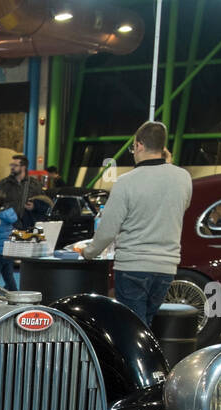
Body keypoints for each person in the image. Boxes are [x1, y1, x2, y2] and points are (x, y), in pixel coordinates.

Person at [77, 121, 192, 327]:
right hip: (166, 267)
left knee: (133, 329)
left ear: (139, 145)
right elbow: (180, 208)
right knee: (145, 325)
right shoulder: (183, 178)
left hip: (133, 266)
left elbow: (108, 229)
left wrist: (89, 252)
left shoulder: (126, 182)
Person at [0, 154, 31, 227]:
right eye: (11, 165)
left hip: (28, 225)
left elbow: (43, 204)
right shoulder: (4, 183)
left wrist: (34, 206)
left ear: (23, 167)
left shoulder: (34, 184)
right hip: (8, 225)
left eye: (15, 165)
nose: (12, 167)